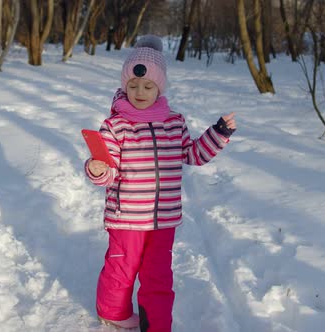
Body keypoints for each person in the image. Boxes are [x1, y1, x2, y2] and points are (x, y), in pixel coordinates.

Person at [84, 35, 236, 331]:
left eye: (148, 86)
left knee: (158, 275)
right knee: (122, 267)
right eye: (133, 85)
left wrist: (217, 134)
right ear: (124, 85)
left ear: (159, 86)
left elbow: (192, 154)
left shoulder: (174, 122)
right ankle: (113, 312)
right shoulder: (115, 125)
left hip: (163, 219)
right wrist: (97, 167)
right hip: (126, 217)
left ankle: (156, 325)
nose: (140, 92)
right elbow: (108, 168)